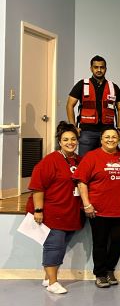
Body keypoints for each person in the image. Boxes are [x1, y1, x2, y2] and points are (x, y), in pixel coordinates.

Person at [26, 122, 83, 294]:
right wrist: (38, 210)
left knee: (62, 244)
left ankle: (46, 278)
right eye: (66, 139)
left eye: (73, 139)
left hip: (70, 211)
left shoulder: (79, 160)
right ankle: (52, 282)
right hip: (52, 211)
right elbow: (37, 186)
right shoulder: (50, 161)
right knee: (54, 246)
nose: (70, 142)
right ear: (60, 142)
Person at [73, 126, 120, 288]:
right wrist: (87, 204)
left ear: (118, 140)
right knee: (100, 242)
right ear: (101, 139)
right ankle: (100, 273)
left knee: (119, 240)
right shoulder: (92, 157)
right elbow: (81, 182)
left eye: (114, 137)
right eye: (107, 137)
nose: (111, 139)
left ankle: (109, 269)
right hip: (98, 210)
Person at [66, 55, 120, 154]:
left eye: (102, 67)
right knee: (85, 162)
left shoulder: (113, 87)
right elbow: (69, 105)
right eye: (96, 67)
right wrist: (73, 127)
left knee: (107, 162)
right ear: (91, 68)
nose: (99, 70)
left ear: (105, 69)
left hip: (108, 132)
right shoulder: (82, 84)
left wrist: (119, 129)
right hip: (87, 132)